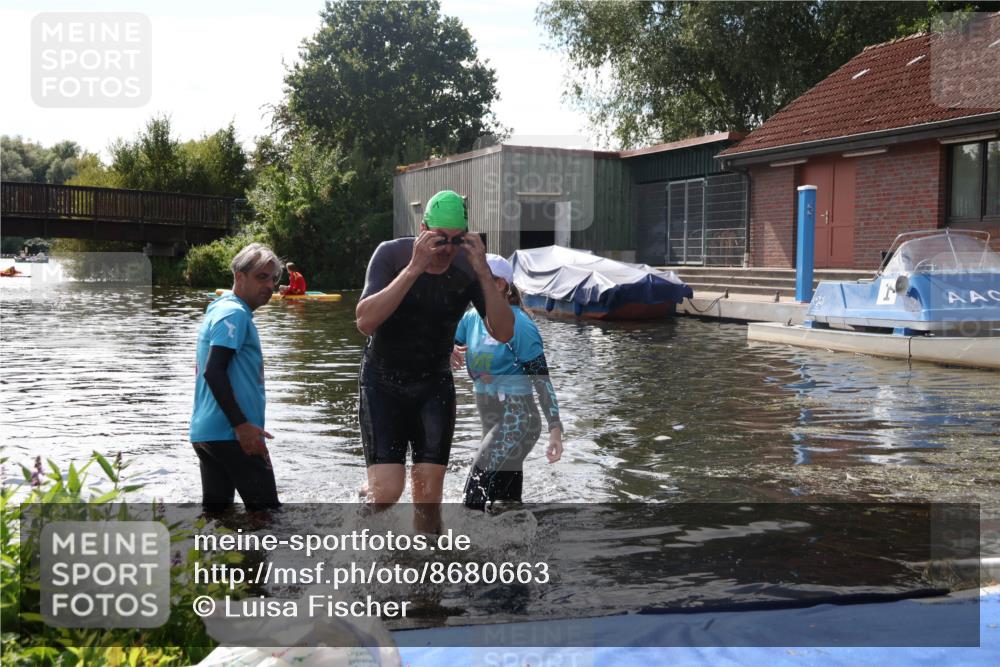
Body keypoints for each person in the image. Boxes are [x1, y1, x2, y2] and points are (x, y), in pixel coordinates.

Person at [355, 190, 514, 533]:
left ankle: (429, 578)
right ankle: (361, 514)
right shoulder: (391, 254)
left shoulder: (467, 268)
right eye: (439, 239)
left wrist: (484, 274)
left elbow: (503, 332)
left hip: (433, 385)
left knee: (428, 502)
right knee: (387, 493)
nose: (446, 250)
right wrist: (414, 267)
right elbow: (365, 322)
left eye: (456, 241)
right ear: (423, 229)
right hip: (382, 382)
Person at [453, 254, 563, 509]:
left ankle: (459, 547)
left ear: (501, 284)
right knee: (505, 503)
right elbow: (446, 340)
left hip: (518, 419)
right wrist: (448, 348)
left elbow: (541, 379)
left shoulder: (520, 325)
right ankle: (516, 543)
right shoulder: (471, 319)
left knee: (474, 493)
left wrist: (555, 429)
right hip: (489, 417)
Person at [190, 242, 283, 513]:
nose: (269, 285)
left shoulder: (221, 308)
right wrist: (241, 425)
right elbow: (214, 371)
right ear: (239, 277)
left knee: (220, 521)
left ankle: (208, 557)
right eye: (261, 277)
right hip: (232, 434)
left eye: (274, 279)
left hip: (208, 434)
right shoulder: (234, 313)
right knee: (270, 520)